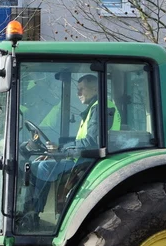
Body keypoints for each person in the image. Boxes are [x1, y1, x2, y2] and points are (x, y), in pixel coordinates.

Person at [25, 75, 120, 223]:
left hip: (91, 160)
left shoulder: (101, 108)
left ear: (95, 88)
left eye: (82, 89)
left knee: (42, 167)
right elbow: (84, 141)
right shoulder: (95, 107)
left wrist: (61, 150)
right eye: (77, 89)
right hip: (84, 157)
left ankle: (33, 213)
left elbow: (92, 142)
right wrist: (56, 152)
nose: (78, 93)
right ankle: (31, 213)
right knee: (36, 165)